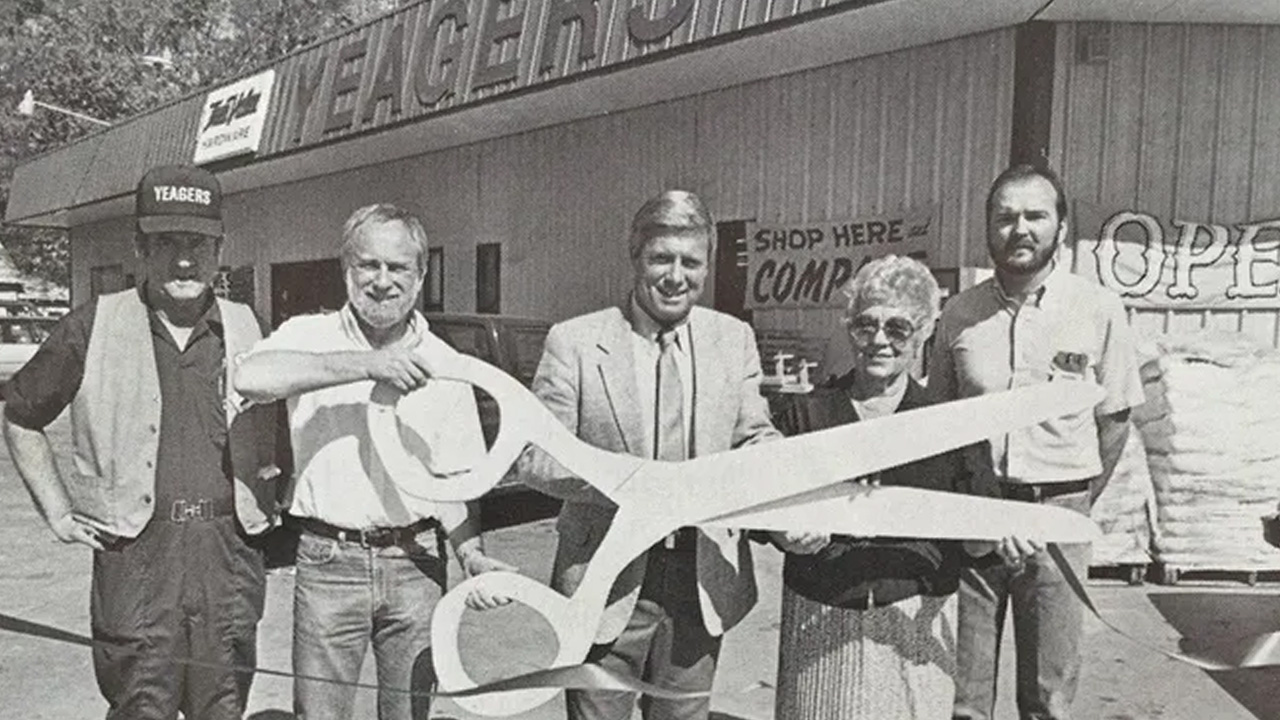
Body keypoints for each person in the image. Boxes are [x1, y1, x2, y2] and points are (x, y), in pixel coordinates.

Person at [3, 164, 280, 720]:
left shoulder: (253, 328)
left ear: (219, 247)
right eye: (166, 242)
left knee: (222, 707)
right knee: (139, 706)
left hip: (226, 557)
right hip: (136, 558)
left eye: (198, 242)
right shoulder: (93, 325)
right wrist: (57, 512)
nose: (184, 258)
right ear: (139, 247)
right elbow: (20, 415)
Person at [233, 203, 511, 720]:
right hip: (327, 562)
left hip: (417, 564)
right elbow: (249, 377)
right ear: (347, 270)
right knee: (320, 714)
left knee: (409, 714)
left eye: (398, 267)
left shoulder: (446, 363)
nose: (382, 281)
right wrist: (366, 365)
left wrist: (471, 556)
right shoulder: (305, 337)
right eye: (369, 265)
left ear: (421, 275)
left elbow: (454, 483)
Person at [521, 189, 781, 720]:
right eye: (661, 258)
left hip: (700, 579)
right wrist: (626, 484)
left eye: (691, 261)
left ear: (707, 267)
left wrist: (791, 479)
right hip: (604, 580)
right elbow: (534, 457)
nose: (675, 275)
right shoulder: (575, 342)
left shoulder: (733, 340)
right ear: (635, 257)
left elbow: (754, 438)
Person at [929, 164, 1144, 720]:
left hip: (1057, 519)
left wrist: (1065, 508)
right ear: (987, 229)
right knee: (963, 697)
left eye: (1035, 215)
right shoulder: (959, 315)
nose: (1019, 229)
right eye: (1005, 217)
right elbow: (940, 424)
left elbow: (1114, 422)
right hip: (975, 522)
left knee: (1048, 698)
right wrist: (977, 506)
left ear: (1061, 227)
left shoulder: (1097, 310)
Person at [770, 255, 1015, 719]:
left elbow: (978, 545)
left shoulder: (952, 427)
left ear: (924, 332)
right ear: (849, 330)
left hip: (915, 621)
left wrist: (1004, 532)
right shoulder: (806, 416)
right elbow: (762, 514)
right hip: (819, 617)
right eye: (865, 326)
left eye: (898, 328)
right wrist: (786, 533)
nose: (879, 340)